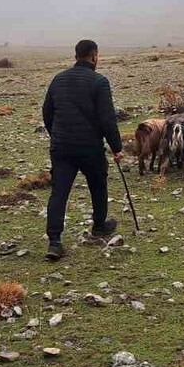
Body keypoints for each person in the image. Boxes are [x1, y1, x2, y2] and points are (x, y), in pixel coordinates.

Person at [41, 39, 123, 261]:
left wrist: (56, 135)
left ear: (76, 55)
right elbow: (107, 119)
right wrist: (117, 147)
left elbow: (47, 113)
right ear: (94, 55)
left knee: (59, 192)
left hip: (61, 147)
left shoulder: (58, 79)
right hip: (90, 147)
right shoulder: (99, 82)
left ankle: (55, 241)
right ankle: (99, 225)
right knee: (98, 184)